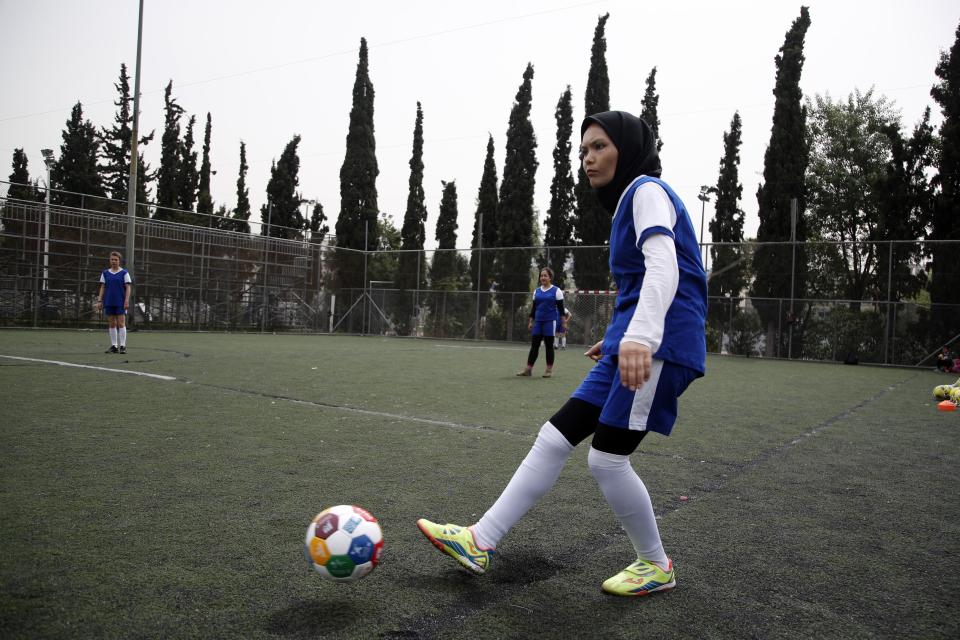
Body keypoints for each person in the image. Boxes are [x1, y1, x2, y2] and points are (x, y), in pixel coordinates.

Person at [417, 111, 707, 597]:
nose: (588, 159)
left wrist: (640, 337)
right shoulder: (629, 204)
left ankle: (656, 564)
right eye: (584, 151)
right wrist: (617, 338)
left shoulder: (646, 191)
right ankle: (479, 540)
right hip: (631, 342)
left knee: (607, 460)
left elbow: (664, 268)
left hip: (661, 346)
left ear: (628, 148)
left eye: (599, 147)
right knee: (554, 437)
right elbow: (641, 282)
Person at [516, 267, 566, 378]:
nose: (543, 278)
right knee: (534, 345)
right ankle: (528, 370)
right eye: (541, 276)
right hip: (538, 322)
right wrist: (531, 321)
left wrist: (564, 323)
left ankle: (548, 370)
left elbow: (561, 309)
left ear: (550, 277)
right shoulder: (537, 291)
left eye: (545, 276)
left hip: (550, 321)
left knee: (549, 346)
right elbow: (534, 308)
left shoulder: (556, 291)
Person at [96, 251, 132, 354]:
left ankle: (123, 346)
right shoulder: (105, 273)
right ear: (109, 260)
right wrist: (99, 300)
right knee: (112, 324)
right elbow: (102, 287)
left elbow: (128, 288)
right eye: (112, 259)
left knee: (121, 323)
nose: (113, 261)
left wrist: (126, 301)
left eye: (116, 260)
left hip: (120, 302)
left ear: (119, 261)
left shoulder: (124, 273)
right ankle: (114, 346)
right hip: (109, 301)